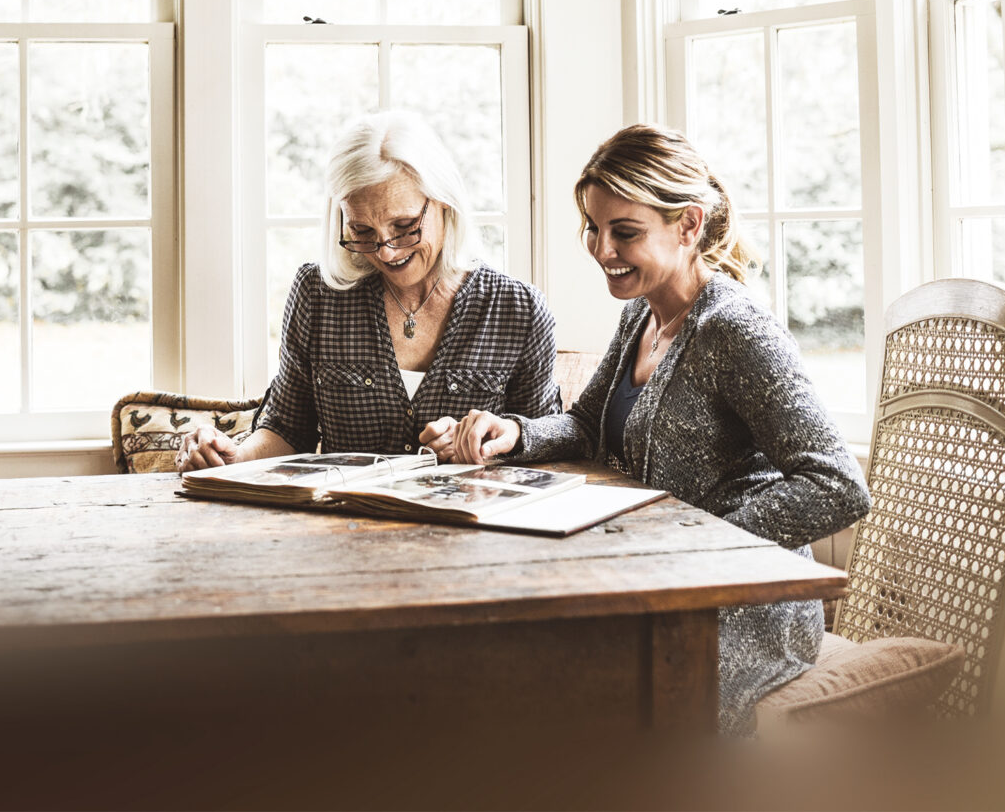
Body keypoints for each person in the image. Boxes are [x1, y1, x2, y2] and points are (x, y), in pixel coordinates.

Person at [420, 123, 870, 728]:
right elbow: (585, 424)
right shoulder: (645, 313)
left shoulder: (736, 331)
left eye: (624, 232)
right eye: (592, 228)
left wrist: (691, 540)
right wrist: (516, 434)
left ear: (688, 225)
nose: (601, 250)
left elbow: (838, 485)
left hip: (736, 605)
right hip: (657, 583)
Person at [178, 110, 561, 470]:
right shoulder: (318, 294)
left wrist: (489, 443)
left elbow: (550, 444)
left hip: (476, 533)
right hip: (346, 532)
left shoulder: (518, 309)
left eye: (405, 225)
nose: (387, 251)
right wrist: (231, 457)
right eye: (362, 231)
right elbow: (288, 428)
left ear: (445, 202)